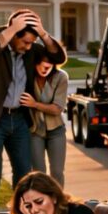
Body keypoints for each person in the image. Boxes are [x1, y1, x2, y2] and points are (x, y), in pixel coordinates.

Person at [0, 9, 66, 214]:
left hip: (20, 119)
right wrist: (12, 29)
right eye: (25, 41)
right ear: (14, 33)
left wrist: (43, 33)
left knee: (23, 176)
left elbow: (58, 57)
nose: (29, 46)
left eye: (32, 42)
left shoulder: (30, 50)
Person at [20, 43, 69, 186]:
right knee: (39, 173)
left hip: (57, 131)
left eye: (50, 64)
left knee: (57, 172)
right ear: (35, 62)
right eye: (42, 63)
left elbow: (57, 109)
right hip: (35, 131)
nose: (46, 67)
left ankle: (58, 203)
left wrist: (34, 104)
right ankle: (41, 203)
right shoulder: (27, 77)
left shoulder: (61, 77)